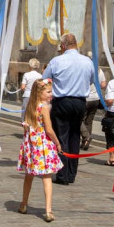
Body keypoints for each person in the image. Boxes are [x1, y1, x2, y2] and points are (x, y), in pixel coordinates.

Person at [43, 33, 95, 185]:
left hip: (62, 101)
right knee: (74, 136)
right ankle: (71, 173)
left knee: (61, 136)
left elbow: (45, 79)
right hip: (80, 102)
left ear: (63, 46)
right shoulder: (87, 61)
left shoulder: (57, 60)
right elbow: (91, 80)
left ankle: (62, 173)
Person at [17, 79, 63, 222]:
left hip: (31, 145)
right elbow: (49, 129)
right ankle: (48, 211)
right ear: (40, 93)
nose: (51, 94)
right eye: (48, 92)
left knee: (29, 175)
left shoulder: (30, 105)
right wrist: (57, 143)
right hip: (43, 145)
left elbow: (26, 126)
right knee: (46, 177)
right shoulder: (43, 107)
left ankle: (23, 204)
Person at [81, 59, 106, 151]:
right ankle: (86, 141)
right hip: (96, 98)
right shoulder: (100, 71)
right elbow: (103, 84)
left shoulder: (86, 71)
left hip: (86, 98)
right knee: (89, 120)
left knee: (80, 119)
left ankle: (86, 137)